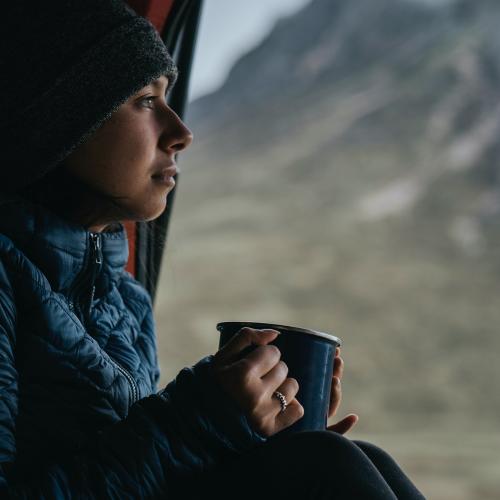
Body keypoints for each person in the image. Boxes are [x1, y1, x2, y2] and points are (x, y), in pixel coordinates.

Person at [0, 1, 425, 498]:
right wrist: (201, 419)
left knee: (344, 457)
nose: (181, 133)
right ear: (61, 116)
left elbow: (138, 472)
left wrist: (248, 434)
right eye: (143, 100)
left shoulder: (124, 297)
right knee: (321, 462)